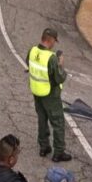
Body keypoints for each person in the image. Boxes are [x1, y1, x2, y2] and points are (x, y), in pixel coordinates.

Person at [28, 27, 71, 162]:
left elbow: (29, 65)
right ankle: (58, 152)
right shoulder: (51, 58)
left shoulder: (32, 51)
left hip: (36, 91)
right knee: (58, 122)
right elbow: (59, 78)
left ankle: (44, 147)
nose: (54, 44)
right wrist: (60, 65)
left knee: (42, 120)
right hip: (50, 95)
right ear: (51, 40)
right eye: (54, 41)